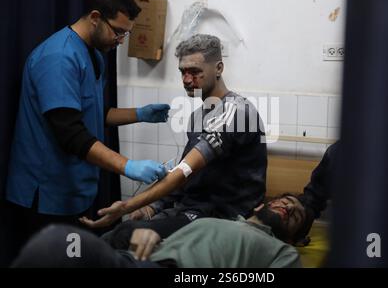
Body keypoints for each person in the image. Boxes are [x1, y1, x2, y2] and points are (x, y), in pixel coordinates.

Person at [5, 0, 170, 240]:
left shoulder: (94, 54)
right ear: (95, 18)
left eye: (126, 34)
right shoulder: (59, 58)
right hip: (46, 192)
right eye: (118, 32)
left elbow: (94, 114)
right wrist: (128, 166)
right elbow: (70, 132)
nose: (121, 41)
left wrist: (140, 113)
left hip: (74, 189)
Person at [79, 34, 268, 246]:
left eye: (195, 72)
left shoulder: (236, 112)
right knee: (121, 237)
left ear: (218, 68)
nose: (187, 79)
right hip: (193, 210)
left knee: (123, 237)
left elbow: (182, 173)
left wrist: (127, 206)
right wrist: (153, 207)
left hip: (224, 218)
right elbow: (189, 177)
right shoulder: (199, 115)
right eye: (183, 72)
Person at [12, 194, 312, 268]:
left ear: (294, 237)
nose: (288, 207)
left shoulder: (282, 252)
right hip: (136, 261)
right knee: (65, 244)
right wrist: (137, 231)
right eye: (283, 201)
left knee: (54, 242)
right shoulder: (210, 219)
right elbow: (123, 233)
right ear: (260, 207)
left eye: (295, 214)